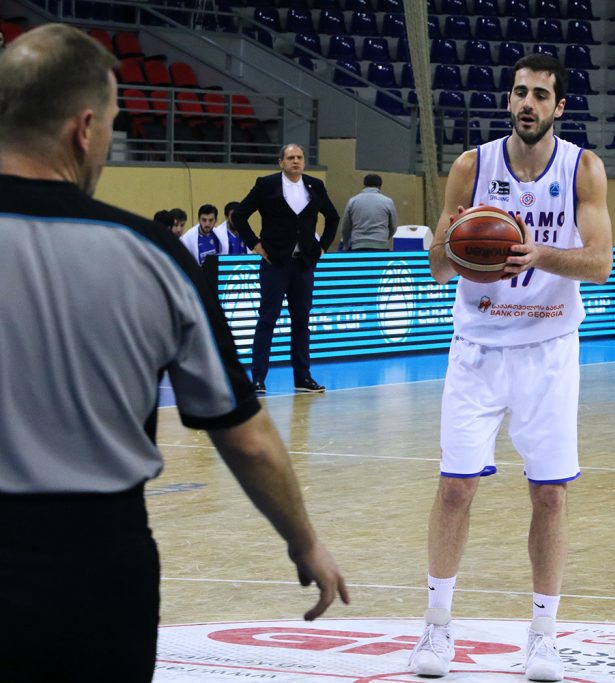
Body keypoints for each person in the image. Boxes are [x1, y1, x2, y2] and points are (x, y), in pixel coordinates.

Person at [0, 25, 348, 682]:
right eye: (111, 123)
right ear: (84, 129)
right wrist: (304, 539)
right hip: (95, 566)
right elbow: (246, 437)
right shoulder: (152, 256)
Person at [409, 53, 613, 682]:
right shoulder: (471, 167)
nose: (528, 103)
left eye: (541, 95)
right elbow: (437, 267)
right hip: (477, 348)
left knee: (549, 493)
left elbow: (600, 262)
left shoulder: (582, 168)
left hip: (549, 350)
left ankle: (544, 636)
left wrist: (537, 253)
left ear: (559, 107)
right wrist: (455, 240)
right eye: (520, 92)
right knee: (455, 487)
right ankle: (436, 625)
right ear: (508, 100)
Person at [233, 143, 340, 395]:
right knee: (267, 319)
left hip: (303, 264)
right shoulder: (267, 184)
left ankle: (303, 377)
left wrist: (321, 248)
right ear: (281, 162)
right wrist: (255, 244)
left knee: (301, 320)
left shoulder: (315, 185)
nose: (295, 161)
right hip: (275, 263)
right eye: (290, 157)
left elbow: (333, 217)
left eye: (299, 157)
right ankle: (258, 378)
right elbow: (239, 215)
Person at [340, 173, 399, 252]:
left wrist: (346, 245)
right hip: (381, 244)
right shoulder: (388, 202)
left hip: (358, 245)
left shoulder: (353, 201)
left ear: (364, 185)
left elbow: (345, 228)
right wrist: (385, 239)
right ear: (380, 186)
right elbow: (393, 227)